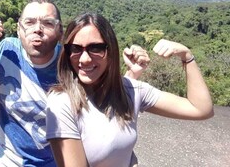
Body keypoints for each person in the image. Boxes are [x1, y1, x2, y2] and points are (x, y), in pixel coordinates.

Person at [0, 0, 150, 166]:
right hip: (7, 161)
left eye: (48, 23)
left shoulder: (71, 63)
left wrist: (131, 75)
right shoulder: (6, 52)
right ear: (19, 29)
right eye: (29, 22)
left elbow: (105, 97)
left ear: (60, 32)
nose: (37, 29)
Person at [45, 12, 214, 167]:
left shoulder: (131, 91)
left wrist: (186, 56)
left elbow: (201, 109)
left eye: (95, 48)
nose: (84, 59)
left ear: (110, 51)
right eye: (75, 49)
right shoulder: (62, 103)